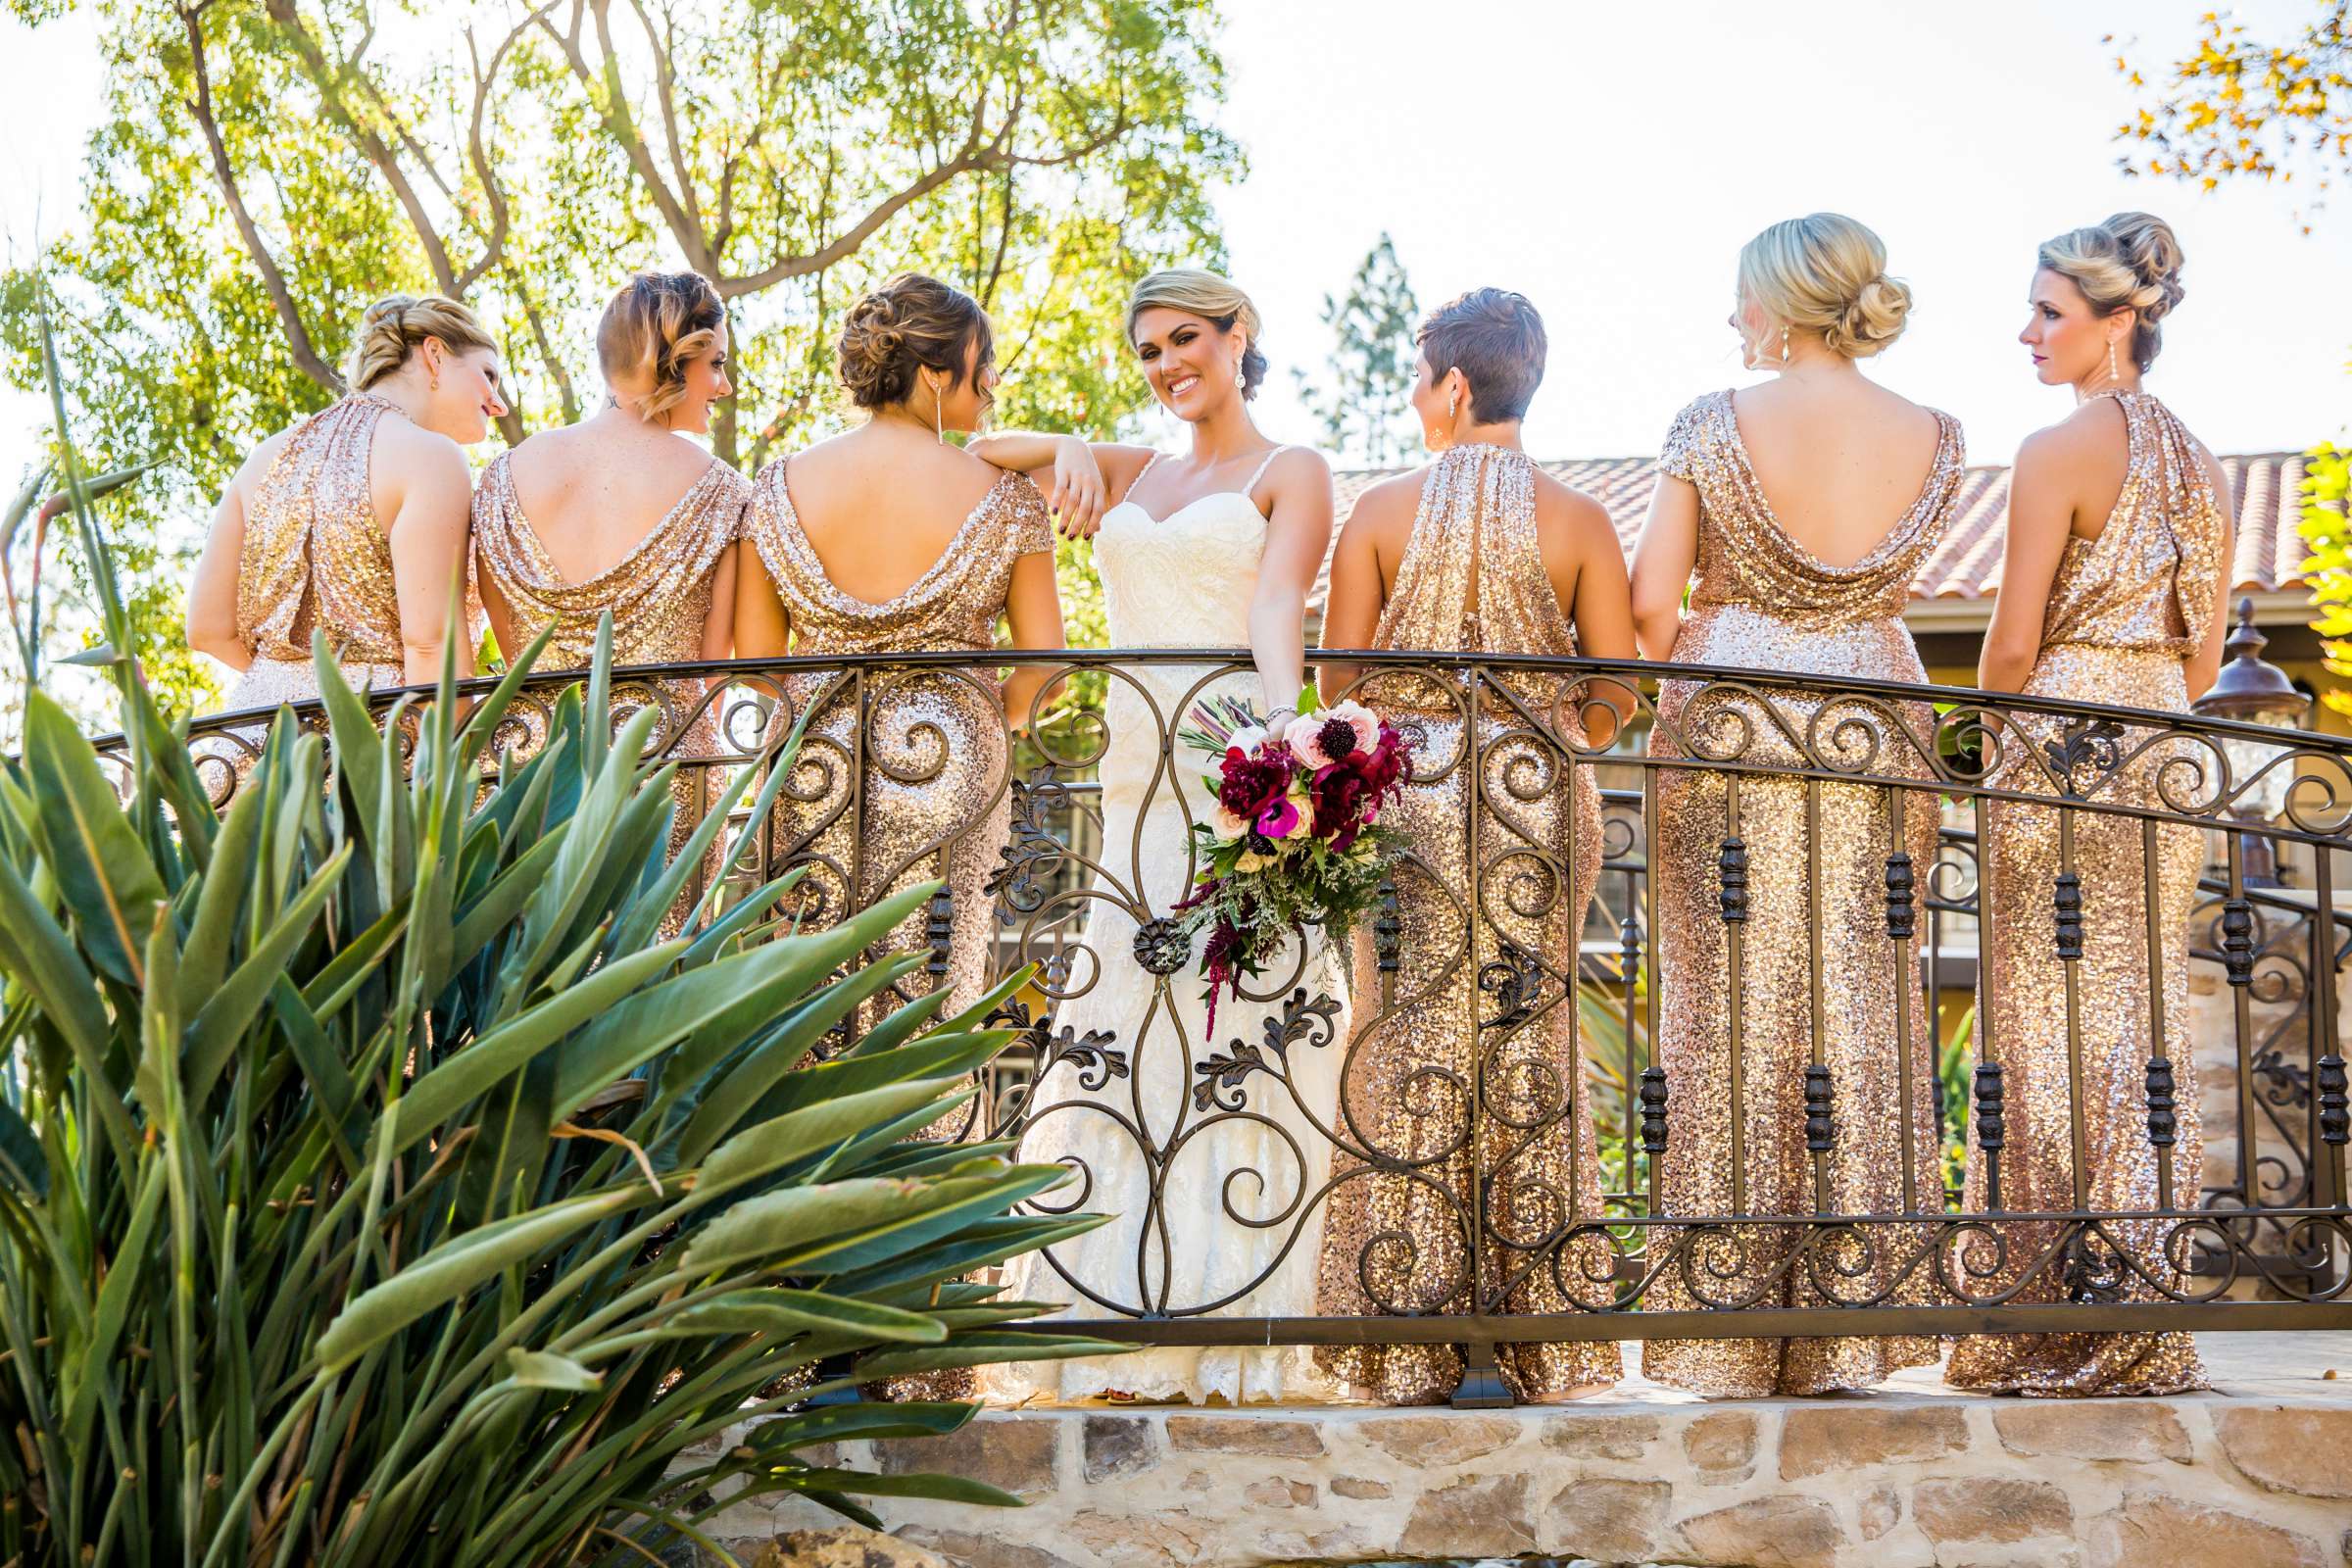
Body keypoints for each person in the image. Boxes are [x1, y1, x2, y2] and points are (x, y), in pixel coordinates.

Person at [969, 268, 1343, 1404]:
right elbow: (976, 445)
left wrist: (1289, 733)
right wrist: (1072, 440)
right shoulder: (1136, 468)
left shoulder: (1294, 472)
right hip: (1127, 782)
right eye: (1147, 350)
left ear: (1241, 336)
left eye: (1186, 338)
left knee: (1233, 1023)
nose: (1167, 363)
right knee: (1118, 1024)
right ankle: (1095, 1302)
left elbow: (1278, 605)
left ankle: (1229, 1302)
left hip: (1228, 766)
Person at [1628, 214, 1963, 1397]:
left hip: (1734, 720)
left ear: (1773, 304)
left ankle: (1724, 1314)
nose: (1731, 321)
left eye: (1738, 298)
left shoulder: (1710, 421)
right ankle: (1855, 1306)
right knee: (1859, 997)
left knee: (1730, 996)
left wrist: (1725, 650)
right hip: (1874, 715)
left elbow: (1649, 605)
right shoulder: (1936, 434)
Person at [737, 270, 1063, 1402]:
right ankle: (918, 1339)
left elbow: (748, 660)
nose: (991, 385)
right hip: (952, 762)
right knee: (938, 1003)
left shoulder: (777, 485)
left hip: (814, 760)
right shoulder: (1001, 500)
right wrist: (990, 725)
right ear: (936, 374)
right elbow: (1044, 662)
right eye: (982, 366)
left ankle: (799, 1326)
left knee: (814, 1017)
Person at [1312, 287, 1636, 1405]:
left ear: (1454, 385)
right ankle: (1529, 1326)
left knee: (1400, 1038)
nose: (1414, 400)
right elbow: (1615, 695)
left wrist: (1411, 748)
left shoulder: (1381, 512)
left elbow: (1336, 688)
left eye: (1418, 379)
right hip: (1538, 797)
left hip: (1408, 791)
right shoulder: (1584, 519)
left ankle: (1403, 1325)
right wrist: (1546, 742)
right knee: (1524, 1034)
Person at [1947, 213, 2230, 1397]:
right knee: (2139, 1019)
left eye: (2049, 312)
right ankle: (2142, 1291)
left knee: (2050, 1026)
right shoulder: (2206, 466)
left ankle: (2050, 1313)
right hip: (2165, 752)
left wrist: (1977, 731)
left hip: (2062, 749)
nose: (2027, 332)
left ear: (2120, 323)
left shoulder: (2056, 450)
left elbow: (2008, 647)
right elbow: (2206, 662)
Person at [471, 270, 749, 921]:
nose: (725, 387)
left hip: (536, 767)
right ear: (674, 363)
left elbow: (513, 648)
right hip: (668, 766)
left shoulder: (502, 477)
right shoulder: (722, 491)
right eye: (716, 365)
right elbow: (712, 666)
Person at [187, 294, 506, 735]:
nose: (498, 403)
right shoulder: (431, 458)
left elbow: (206, 628)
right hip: (376, 750)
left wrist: (291, 685)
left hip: (249, 746)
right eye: (489, 375)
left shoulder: (263, 458)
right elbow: (432, 648)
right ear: (435, 354)